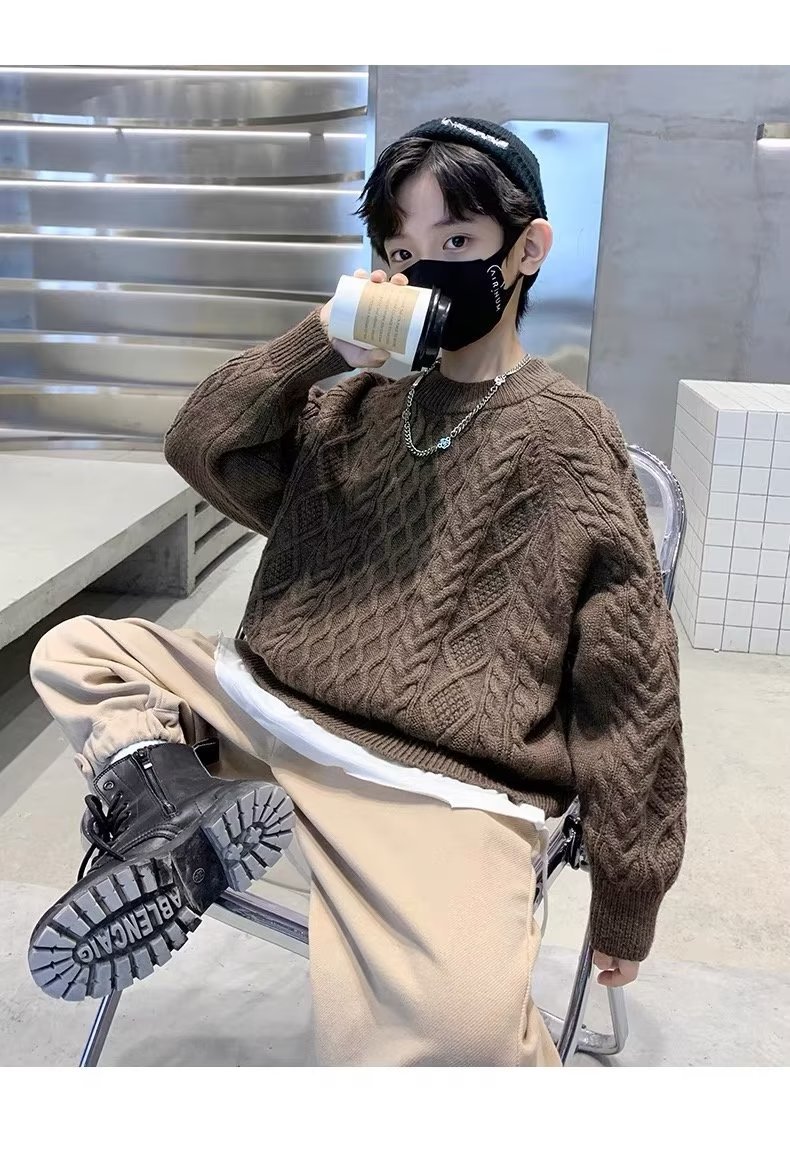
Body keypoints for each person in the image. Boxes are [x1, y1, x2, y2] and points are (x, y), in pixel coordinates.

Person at [27, 116, 686, 1067]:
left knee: (458, 1037)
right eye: (401, 251)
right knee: (81, 649)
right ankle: (181, 817)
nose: (427, 269)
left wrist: (630, 891)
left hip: (434, 784)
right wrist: (318, 346)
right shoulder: (352, 404)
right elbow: (201, 446)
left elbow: (630, 683)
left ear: (528, 248)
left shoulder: (569, 438)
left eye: (457, 240)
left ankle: (183, 822)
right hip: (263, 714)